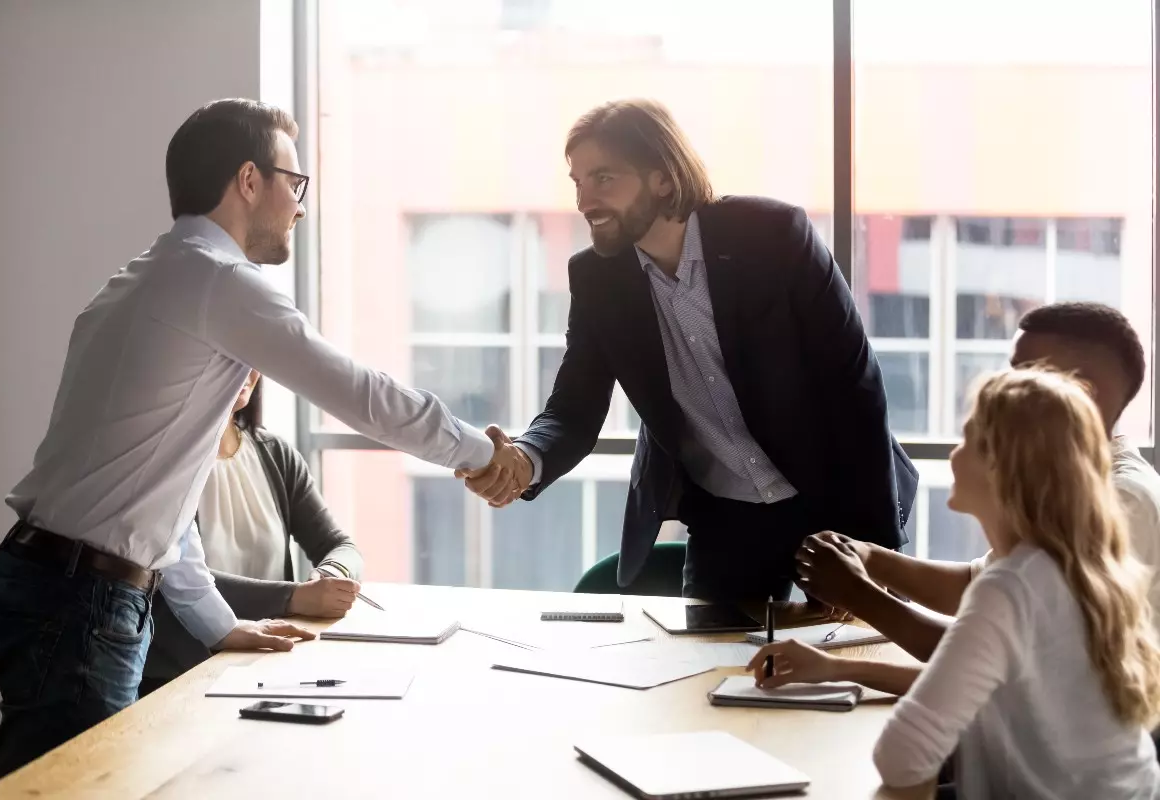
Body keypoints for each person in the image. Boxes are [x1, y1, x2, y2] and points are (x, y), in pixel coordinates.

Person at [0, 98, 519, 781]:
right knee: (67, 793)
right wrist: (482, 454)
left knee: (49, 782)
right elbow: (360, 393)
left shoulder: (146, 278)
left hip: (62, 581)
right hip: (81, 597)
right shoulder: (220, 282)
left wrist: (217, 624)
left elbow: (156, 495)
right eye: (294, 184)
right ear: (248, 181)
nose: (299, 205)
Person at [458, 98, 917, 602]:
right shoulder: (597, 278)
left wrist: (879, 551)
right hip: (724, 518)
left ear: (662, 177)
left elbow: (855, 390)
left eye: (604, 179)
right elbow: (575, 405)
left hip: (832, 504)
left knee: (848, 663)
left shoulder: (774, 236)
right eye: (578, 182)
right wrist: (525, 457)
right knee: (704, 671)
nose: (585, 201)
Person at [748, 302, 1160, 696]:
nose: (1002, 390)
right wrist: (870, 558)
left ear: (1084, 392)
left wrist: (858, 593)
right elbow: (975, 585)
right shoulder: (1071, 485)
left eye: (1023, 375)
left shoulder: (1121, 502)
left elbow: (991, 657)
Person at [871, 370, 1160, 795]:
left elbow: (901, 756)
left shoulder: (1013, 586)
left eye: (969, 439)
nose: (954, 453)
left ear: (1005, 467)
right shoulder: (1078, 564)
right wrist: (834, 669)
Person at [140, 371, 363, 695]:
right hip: (179, 680)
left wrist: (332, 572)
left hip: (265, 668)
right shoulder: (168, 462)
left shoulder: (276, 455)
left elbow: (340, 545)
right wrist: (292, 597)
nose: (246, 370)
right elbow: (172, 579)